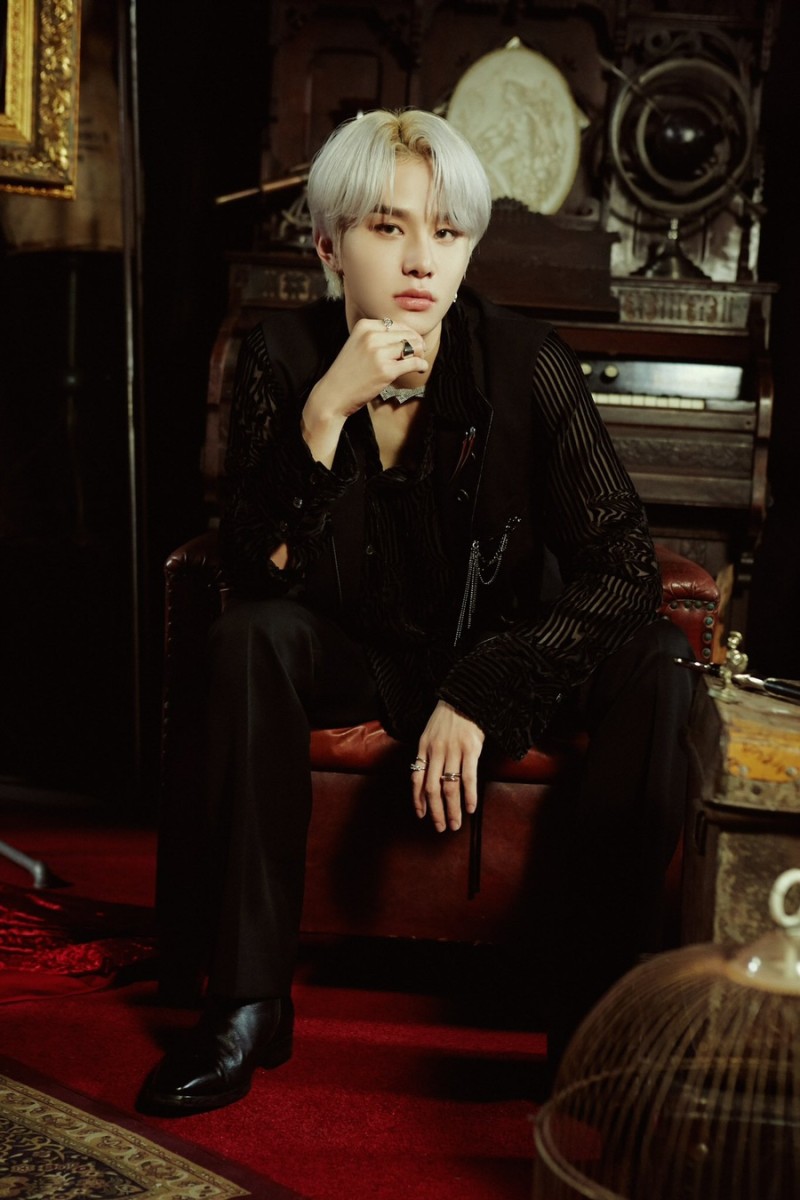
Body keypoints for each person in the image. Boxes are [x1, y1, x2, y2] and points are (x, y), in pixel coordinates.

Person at [138, 108, 694, 1116]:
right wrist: (325, 410)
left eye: (445, 231)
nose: (420, 260)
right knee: (250, 637)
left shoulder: (526, 361)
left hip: (500, 650)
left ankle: (593, 1019)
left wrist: (484, 689)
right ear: (328, 245)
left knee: (656, 656)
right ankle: (246, 1004)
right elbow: (257, 569)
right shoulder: (279, 356)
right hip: (355, 651)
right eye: (387, 227)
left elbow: (621, 562)